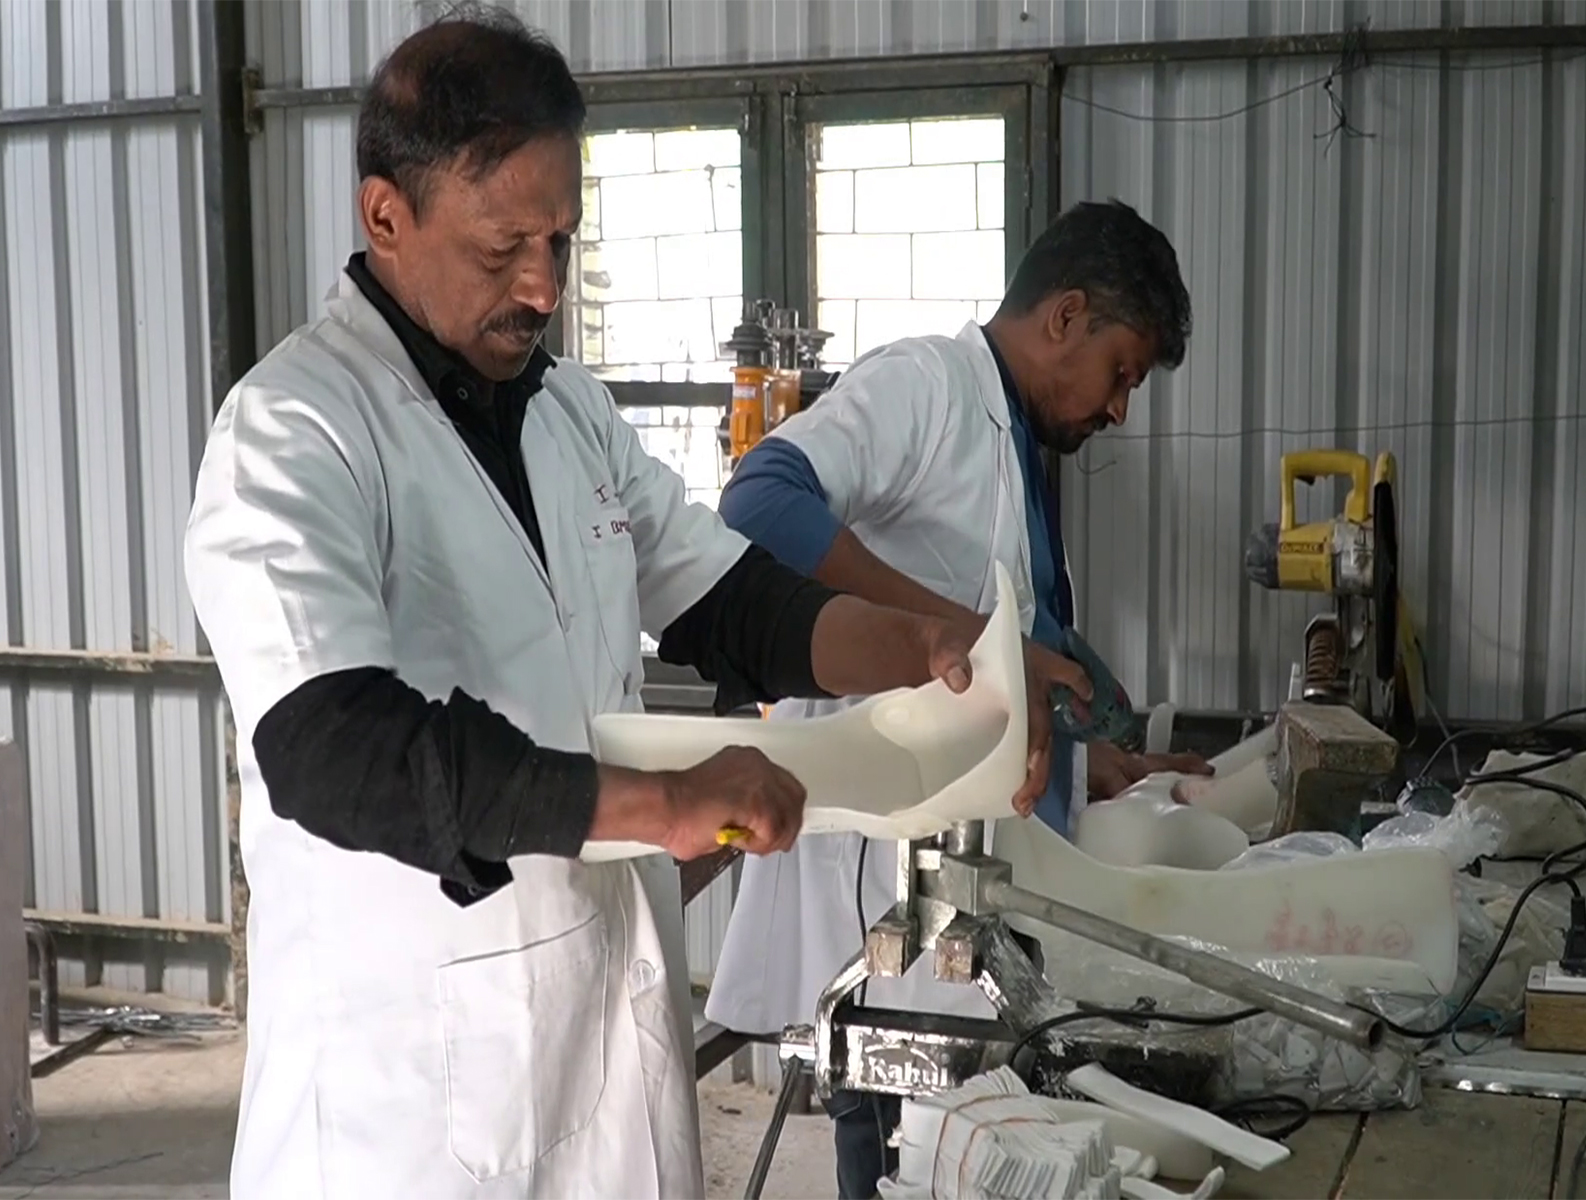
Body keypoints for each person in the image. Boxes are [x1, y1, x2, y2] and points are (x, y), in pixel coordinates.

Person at [183, 12, 1087, 1199]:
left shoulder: (566, 414)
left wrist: (927, 651)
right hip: (407, 1094)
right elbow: (331, 746)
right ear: (385, 216)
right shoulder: (294, 432)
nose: (544, 284)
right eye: (505, 244)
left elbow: (738, 604)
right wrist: (660, 802)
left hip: (604, 1035)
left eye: (561, 238)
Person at [705, 200, 1211, 1199]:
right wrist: (961, 643)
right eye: (1122, 372)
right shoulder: (924, 384)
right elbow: (759, 501)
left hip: (956, 870)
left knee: (952, 1141)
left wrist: (1083, 754)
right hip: (876, 871)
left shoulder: (1010, 444)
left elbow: (1013, 657)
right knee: (888, 1123)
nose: (1120, 409)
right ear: (1065, 316)